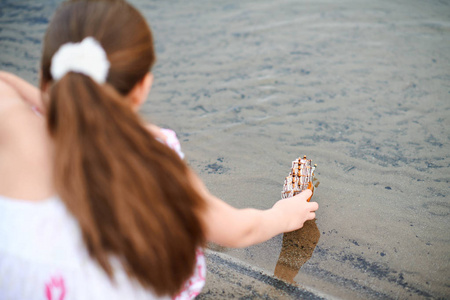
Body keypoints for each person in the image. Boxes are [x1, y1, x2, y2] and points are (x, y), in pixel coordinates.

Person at [0, 0, 318, 299]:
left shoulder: (10, 125)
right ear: (143, 87)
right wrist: (281, 215)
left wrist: (52, 102)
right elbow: (239, 230)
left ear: (45, 77)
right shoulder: (152, 155)